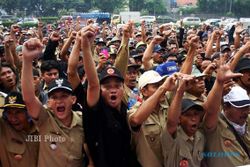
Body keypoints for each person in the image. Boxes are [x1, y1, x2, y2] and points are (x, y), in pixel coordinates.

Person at [21, 38, 85, 167]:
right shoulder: (45, 119)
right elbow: (29, 98)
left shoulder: (83, 122)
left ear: (73, 99)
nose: (59, 101)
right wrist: (27, 61)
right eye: (54, 97)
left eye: (64, 96)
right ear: (49, 101)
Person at [80, 25, 133, 167]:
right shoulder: (96, 110)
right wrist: (86, 47)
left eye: (117, 86)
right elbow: (93, 83)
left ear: (124, 88)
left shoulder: (124, 108)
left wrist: (125, 40)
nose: (113, 90)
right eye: (107, 87)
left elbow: (120, 69)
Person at [202, 63, 249, 166]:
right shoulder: (216, 125)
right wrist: (219, 83)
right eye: (239, 107)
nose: (245, 111)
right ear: (225, 106)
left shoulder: (248, 121)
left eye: (247, 106)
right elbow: (210, 110)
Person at [128, 70, 176, 167]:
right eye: (156, 86)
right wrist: (162, 88)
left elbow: (179, 88)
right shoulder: (136, 110)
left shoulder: (167, 103)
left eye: (161, 84)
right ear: (144, 91)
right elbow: (136, 120)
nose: (162, 89)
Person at [162, 73, 205, 167]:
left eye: (196, 114)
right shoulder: (173, 136)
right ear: (179, 118)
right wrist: (180, 90)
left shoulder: (200, 137)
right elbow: (171, 122)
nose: (193, 118)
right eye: (188, 115)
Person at [0, 91, 39, 167]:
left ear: (28, 112)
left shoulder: (41, 128)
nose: (13, 118)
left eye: (18, 112)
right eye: (9, 113)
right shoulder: (3, 129)